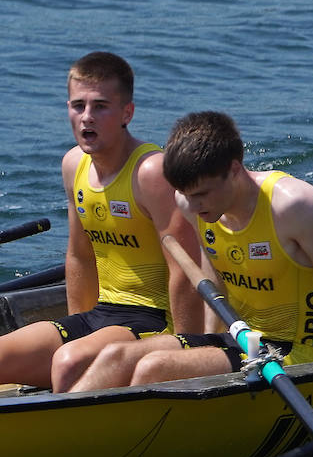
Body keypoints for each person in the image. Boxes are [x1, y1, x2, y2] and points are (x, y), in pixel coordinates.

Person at [69, 111, 313, 391]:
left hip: (289, 352)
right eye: (186, 195)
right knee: (114, 357)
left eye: (202, 195)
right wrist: (205, 343)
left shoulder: (295, 206)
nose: (193, 206)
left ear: (234, 170)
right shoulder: (191, 205)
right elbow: (216, 283)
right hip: (238, 341)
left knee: (155, 367)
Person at [0, 52, 203, 393]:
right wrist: (76, 330)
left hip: (154, 320)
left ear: (127, 113)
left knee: (67, 363)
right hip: (102, 314)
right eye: (78, 106)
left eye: (100, 106)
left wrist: (185, 348)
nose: (87, 117)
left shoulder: (151, 172)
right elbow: (80, 256)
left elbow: (187, 267)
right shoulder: (73, 164)